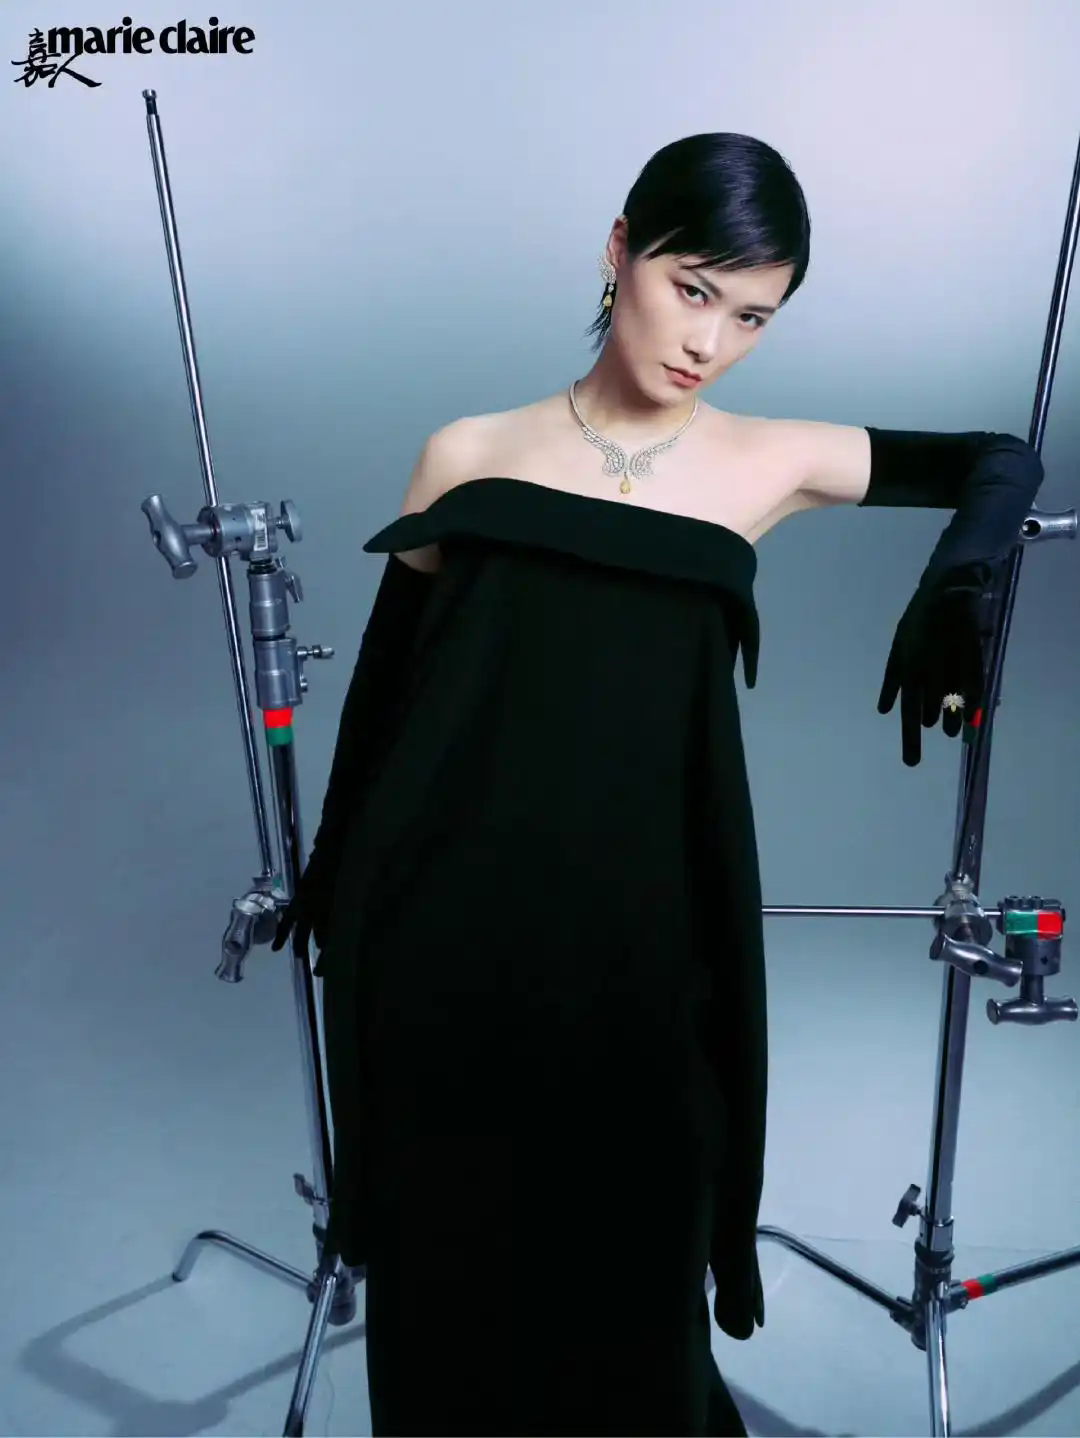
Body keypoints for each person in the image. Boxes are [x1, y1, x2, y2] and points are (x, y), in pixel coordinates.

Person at [273, 133, 1043, 1436]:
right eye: (693, 289)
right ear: (620, 248)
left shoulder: (766, 458)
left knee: (635, 1271)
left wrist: (957, 579)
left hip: (643, 936)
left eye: (752, 317)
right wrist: (338, 896)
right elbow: (382, 702)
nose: (710, 342)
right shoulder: (467, 451)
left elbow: (1000, 459)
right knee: (449, 1285)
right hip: (441, 935)